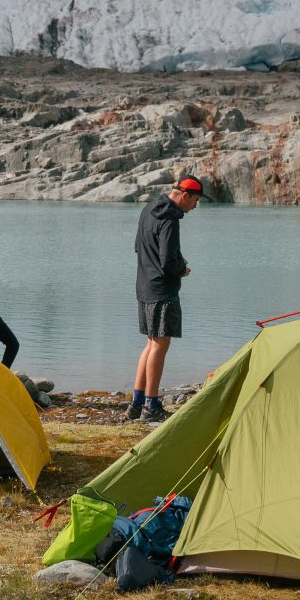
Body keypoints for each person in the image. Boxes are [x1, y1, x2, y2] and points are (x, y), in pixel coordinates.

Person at [130, 175, 204, 422]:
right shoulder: (170, 219)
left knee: (151, 344)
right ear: (185, 195)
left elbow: (138, 248)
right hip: (162, 290)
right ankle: (151, 405)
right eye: (195, 201)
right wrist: (182, 268)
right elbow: (168, 260)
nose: (194, 207)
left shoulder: (148, 209)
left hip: (144, 286)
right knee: (160, 346)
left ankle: (136, 403)